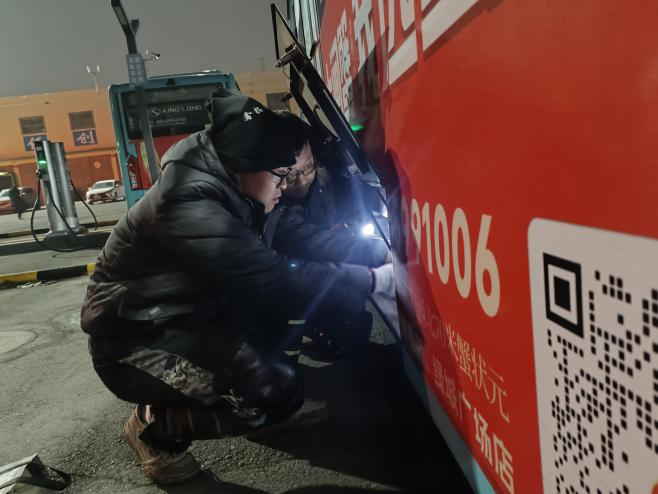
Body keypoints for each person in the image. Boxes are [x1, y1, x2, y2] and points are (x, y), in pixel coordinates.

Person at [80, 89, 394, 485]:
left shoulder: (240, 185)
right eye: (281, 175)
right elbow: (273, 278)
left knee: (284, 328)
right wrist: (373, 280)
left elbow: (298, 235)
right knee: (272, 390)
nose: (287, 185)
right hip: (134, 343)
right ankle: (155, 430)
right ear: (248, 165)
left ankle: (268, 403)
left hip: (189, 317)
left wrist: (380, 250)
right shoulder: (189, 203)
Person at [266, 113, 391, 357]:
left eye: (308, 167)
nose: (302, 180)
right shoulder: (272, 202)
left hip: (318, 266)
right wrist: (379, 251)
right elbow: (308, 242)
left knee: (354, 331)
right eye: (291, 174)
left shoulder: (326, 172)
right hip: (288, 279)